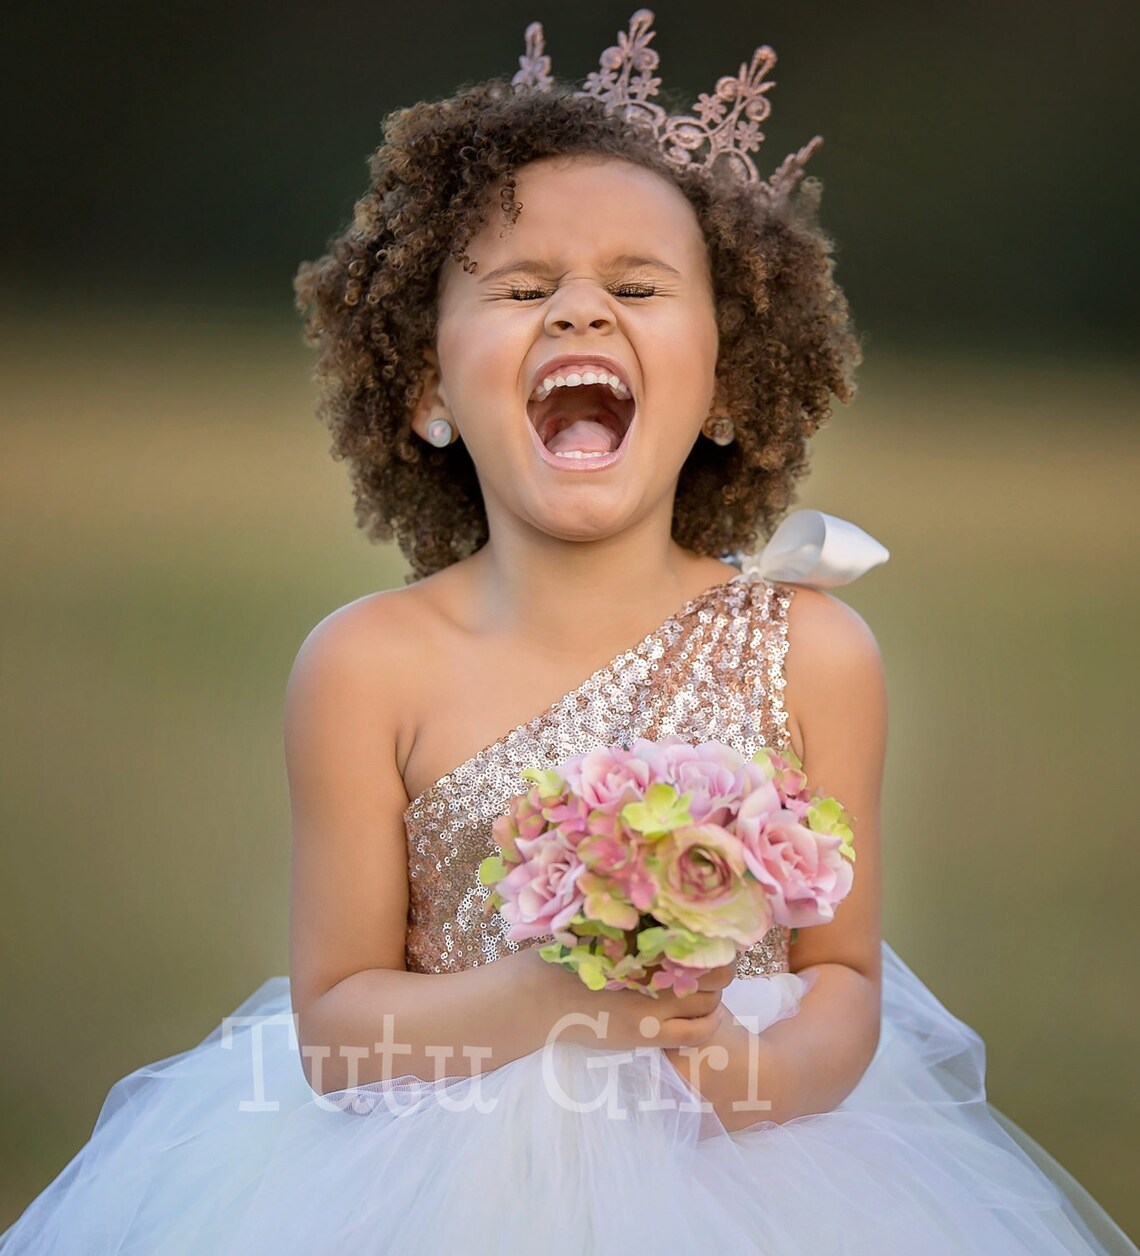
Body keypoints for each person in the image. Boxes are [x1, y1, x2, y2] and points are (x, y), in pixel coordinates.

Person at [1, 12, 1134, 1254]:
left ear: (728, 383)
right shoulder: (368, 664)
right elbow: (335, 1034)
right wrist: (560, 1001)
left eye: (639, 288)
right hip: (425, 1193)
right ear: (426, 386)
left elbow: (845, 981)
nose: (583, 312)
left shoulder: (812, 651)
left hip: (757, 1187)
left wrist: (740, 1081)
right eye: (525, 288)